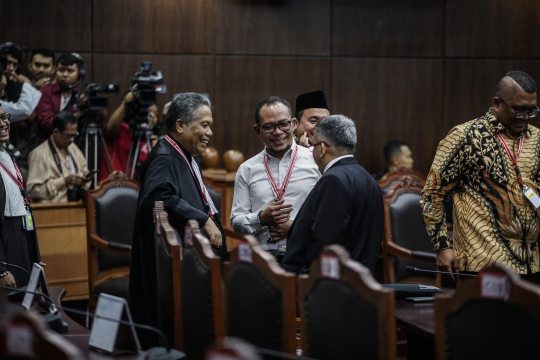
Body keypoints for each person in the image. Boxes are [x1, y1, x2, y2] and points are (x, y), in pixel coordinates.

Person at [129, 92, 227, 349]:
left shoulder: (183, 153)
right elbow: (159, 198)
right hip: (169, 266)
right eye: (204, 125)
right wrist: (203, 219)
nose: (209, 133)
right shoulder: (165, 156)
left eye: (210, 126)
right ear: (180, 125)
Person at [421, 70, 540, 280]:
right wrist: (441, 246)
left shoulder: (537, 139)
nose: (526, 118)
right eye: (519, 110)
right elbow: (432, 194)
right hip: (482, 263)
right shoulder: (465, 136)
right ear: (496, 103)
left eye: (532, 111)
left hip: (532, 263)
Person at [282, 115, 384, 274]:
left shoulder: (333, 180)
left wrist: (309, 284)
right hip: (361, 284)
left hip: (330, 289)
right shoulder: (369, 179)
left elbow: (324, 243)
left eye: (313, 146)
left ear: (322, 148)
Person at [230, 96, 320, 257]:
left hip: (306, 257)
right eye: (269, 127)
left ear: (293, 124)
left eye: (283, 124)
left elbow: (329, 216)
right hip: (262, 259)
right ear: (258, 131)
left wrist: (295, 227)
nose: (278, 132)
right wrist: (261, 218)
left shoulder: (316, 161)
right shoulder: (247, 169)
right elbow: (236, 222)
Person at [0, 105, 41, 288]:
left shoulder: (9, 156)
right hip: (4, 245)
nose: (3, 124)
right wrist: (1, 269)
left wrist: (35, 259)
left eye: (4, 117)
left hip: (21, 238)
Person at [27, 112, 90, 202]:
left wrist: (84, 178)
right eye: (68, 135)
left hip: (75, 207)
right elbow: (32, 191)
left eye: (74, 135)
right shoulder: (39, 154)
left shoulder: (73, 148)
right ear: (56, 132)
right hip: (53, 211)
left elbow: (84, 170)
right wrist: (64, 182)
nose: (72, 139)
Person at [35, 53, 85, 137]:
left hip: (72, 143)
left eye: (70, 71)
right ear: (55, 70)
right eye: (61, 70)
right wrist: (77, 115)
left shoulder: (80, 97)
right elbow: (47, 123)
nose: (65, 75)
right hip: (48, 143)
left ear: (79, 74)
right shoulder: (45, 92)